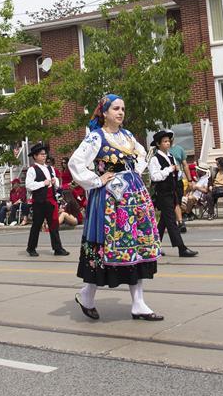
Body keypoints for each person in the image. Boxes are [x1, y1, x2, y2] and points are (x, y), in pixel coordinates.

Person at [68, 94, 163, 322]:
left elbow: (142, 155)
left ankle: (138, 303)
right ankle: (87, 296)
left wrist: (134, 173)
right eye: (116, 109)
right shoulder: (96, 138)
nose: (120, 112)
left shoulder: (127, 136)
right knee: (106, 247)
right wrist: (98, 180)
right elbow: (75, 163)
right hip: (111, 200)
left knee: (137, 247)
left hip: (134, 199)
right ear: (104, 112)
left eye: (122, 109)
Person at [147, 130, 197, 257]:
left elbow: (176, 173)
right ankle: (181, 248)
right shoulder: (154, 159)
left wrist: (177, 171)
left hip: (173, 191)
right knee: (170, 221)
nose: (168, 143)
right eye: (164, 141)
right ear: (158, 144)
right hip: (163, 194)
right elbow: (155, 177)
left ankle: (154, 246)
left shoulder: (171, 157)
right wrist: (169, 169)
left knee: (164, 220)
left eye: (168, 141)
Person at [25, 143, 70, 257]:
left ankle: (57, 248)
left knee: (54, 224)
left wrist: (55, 182)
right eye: (41, 154)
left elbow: (56, 185)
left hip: (51, 200)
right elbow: (29, 185)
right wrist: (42, 183)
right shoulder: (32, 169)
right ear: (35, 156)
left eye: (45, 154)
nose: (44, 156)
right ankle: (31, 248)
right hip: (39, 201)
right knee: (37, 225)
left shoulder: (50, 168)